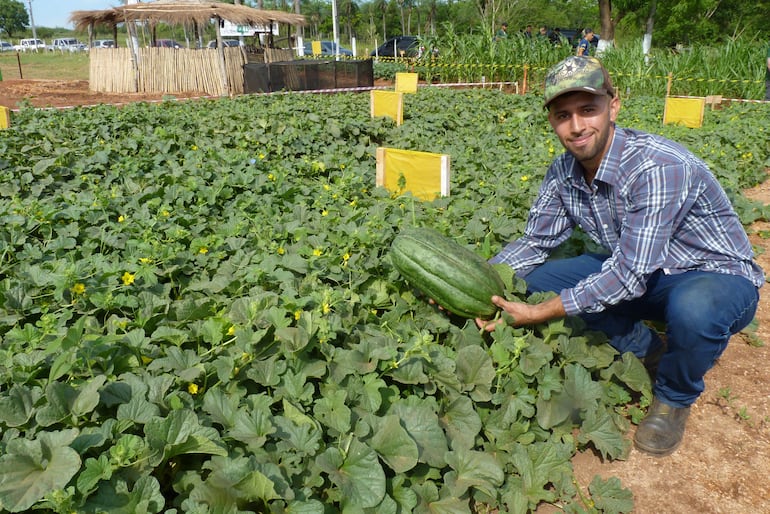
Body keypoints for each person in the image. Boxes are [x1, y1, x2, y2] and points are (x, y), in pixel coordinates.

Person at [478, 56, 764, 457]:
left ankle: (674, 397)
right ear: (551, 121)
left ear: (614, 106)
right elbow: (535, 241)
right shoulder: (563, 171)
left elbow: (629, 274)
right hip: (646, 273)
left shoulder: (658, 166)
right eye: (563, 115)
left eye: (588, 110)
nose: (576, 127)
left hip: (714, 278)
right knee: (537, 281)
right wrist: (481, 283)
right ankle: (648, 348)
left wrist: (543, 313)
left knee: (696, 309)